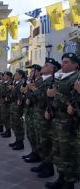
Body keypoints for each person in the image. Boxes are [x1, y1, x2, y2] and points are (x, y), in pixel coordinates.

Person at [45, 53, 79, 189]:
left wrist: (55, 95)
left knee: (67, 152)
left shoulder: (76, 78)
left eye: (66, 62)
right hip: (57, 120)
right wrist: (50, 107)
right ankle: (61, 177)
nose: (63, 64)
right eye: (63, 62)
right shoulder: (61, 78)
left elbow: (73, 104)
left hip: (69, 123)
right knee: (58, 150)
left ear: (75, 64)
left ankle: (69, 182)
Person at [29, 58, 61, 178]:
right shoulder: (42, 80)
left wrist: (34, 90)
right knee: (41, 141)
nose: (43, 66)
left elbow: (44, 99)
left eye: (46, 65)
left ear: (53, 69)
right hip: (38, 115)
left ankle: (49, 168)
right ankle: (44, 163)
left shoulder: (52, 81)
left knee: (47, 142)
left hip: (46, 116)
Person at [8, 69, 26, 150]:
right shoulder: (15, 83)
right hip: (13, 106)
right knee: (14, 124)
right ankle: (17, 140)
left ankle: (20, 142)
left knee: (18, 125)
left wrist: (13, 89)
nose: (14, 76)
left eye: (16, 74)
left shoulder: (22, 84)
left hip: (18, 107)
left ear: (21, 76)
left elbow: (20, 95)